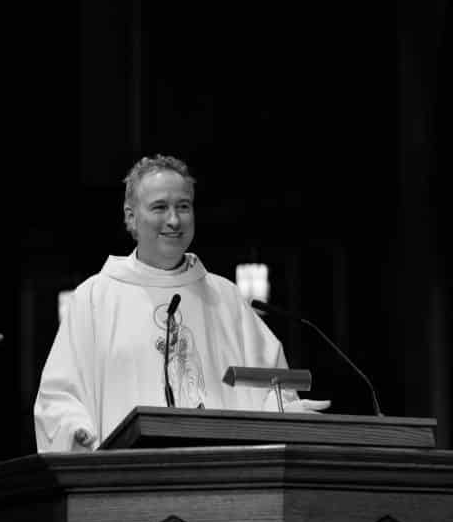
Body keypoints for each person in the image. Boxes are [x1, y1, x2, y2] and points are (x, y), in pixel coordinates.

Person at [33, 154, 329, 452]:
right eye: (160, 207)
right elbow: (59, 397)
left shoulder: (225, 298)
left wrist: (283, 414)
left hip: (226, 473)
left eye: (183, 206)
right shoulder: (94, 299)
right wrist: (75, 431)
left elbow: (271, 385)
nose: (174, 220)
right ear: (131, 217)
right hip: (127, 475)